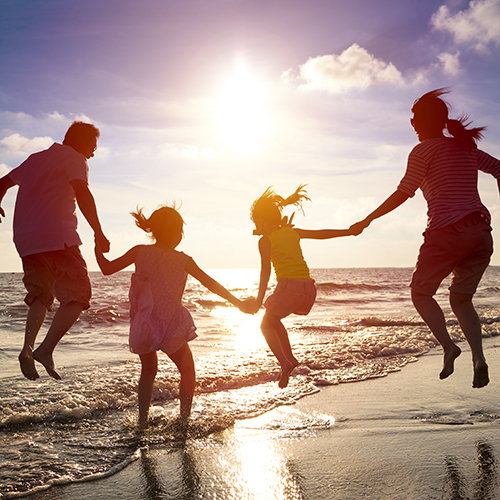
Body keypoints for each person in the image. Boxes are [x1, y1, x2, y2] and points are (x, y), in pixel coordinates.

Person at [350, 88, 500, 388]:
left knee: (420, 292)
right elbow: (499, 169)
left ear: (422, 122)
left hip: (447, 232)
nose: (412, 122)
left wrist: (368, 218)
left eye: (415, 118)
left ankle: (448, 346)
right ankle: (478, 359)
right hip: (481, 233)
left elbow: (404, 192)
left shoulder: (423, 151)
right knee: (461, 298)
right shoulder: (465, 147)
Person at [94, 203, 252, 429]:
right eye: (179, 230)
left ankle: (142, 422)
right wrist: (237, 303)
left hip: (143, 325)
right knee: (187, 368)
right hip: (169, 324)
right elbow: (211, 284)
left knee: (148, 371)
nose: (180, 235)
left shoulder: (140, 251)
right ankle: (184, 420)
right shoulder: (183, 259)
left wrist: (97, 247)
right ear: (170, 231)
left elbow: (107, 268)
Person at [0, 121, 110, 381]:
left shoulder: (35, 159)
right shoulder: (75, 158)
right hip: (58, 238)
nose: (92, 153)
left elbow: (2, 183)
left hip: (26, 241)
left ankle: (27, 349)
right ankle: (45, 349)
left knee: (41, 294)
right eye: (92, 147)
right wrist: (98, 231)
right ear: (82, 142)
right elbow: (82, 192)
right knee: (79, 295)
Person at [247, 185, 360, 388]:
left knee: (265, 325)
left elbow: (265, 273)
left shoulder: (265, 241)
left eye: (256, 222)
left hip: (289, 287)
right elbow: (321, 234)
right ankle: (290, 360)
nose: (256, 226)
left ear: (263, 222)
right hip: (308, 288)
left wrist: (258, 300)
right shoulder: (293, 232)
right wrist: (349, 232)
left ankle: (285, 362)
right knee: (273, 320)